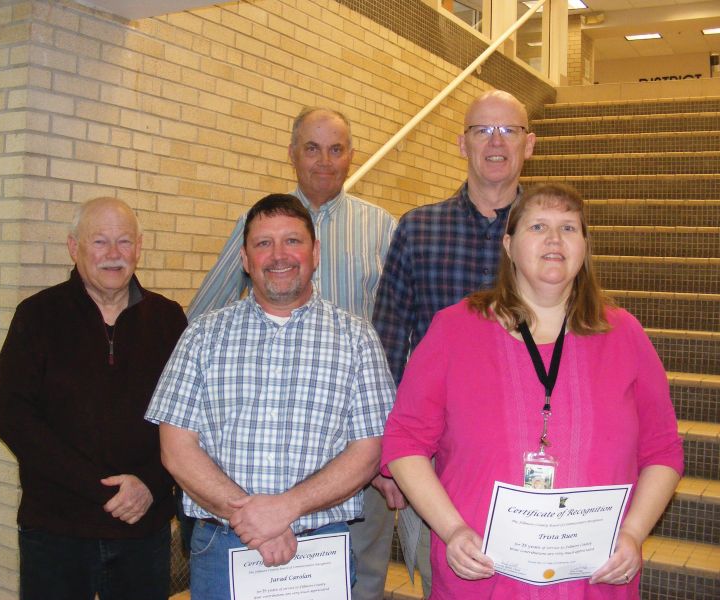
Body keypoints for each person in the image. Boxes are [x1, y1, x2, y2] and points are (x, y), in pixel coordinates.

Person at [381, 183, 683, 599]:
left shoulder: (625, 334)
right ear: (508, 244)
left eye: (569, 228)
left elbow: (663, 451)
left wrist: (632, 534)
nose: (554, 239)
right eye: (538, 226)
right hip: (481, 574)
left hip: (593, 576)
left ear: (585, 245)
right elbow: (404, 442)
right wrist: (451, 529)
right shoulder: (454, 330)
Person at [186, 107, 401, 600]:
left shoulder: (383, 229)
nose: (324, 161)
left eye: (336, 149)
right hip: (254, 459)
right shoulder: (254, 223)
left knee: (359, 578)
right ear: (292, 155)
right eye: (311, 148)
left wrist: (391, 458)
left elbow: (402, 336)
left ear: (351, 157)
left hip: (351, 451)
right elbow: (203, 313)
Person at [145, 194, 396, 600]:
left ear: (315, 252)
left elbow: (369, 450)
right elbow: (176, 449)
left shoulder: (358, 339)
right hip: (224, 547)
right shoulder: (202, 336)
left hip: (320, 547)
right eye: (263, 243)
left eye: (292, 241)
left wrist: (287, 509)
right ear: (245, 259)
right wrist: (250, 517)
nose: (279, 255)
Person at [371, 89, 537, 596]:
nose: (495, 141)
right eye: (482, 130)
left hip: (535, 462)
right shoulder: (419, 230)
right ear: (461, 143)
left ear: (528, 145)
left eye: (508, 130)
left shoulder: (550, 234)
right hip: (438, 468)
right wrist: (391, 459)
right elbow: (387, 344)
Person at [0, 197, 187, 600]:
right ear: (73, 247)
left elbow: (188, 418)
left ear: (140, 246)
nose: (114, 254)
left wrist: (151, 484)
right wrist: (105, 492)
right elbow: (15, 420)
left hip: (144, 528)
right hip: (56, 531)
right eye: (100, 242)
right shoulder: (37, 316)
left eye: (124, 241)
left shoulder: (169, 319)